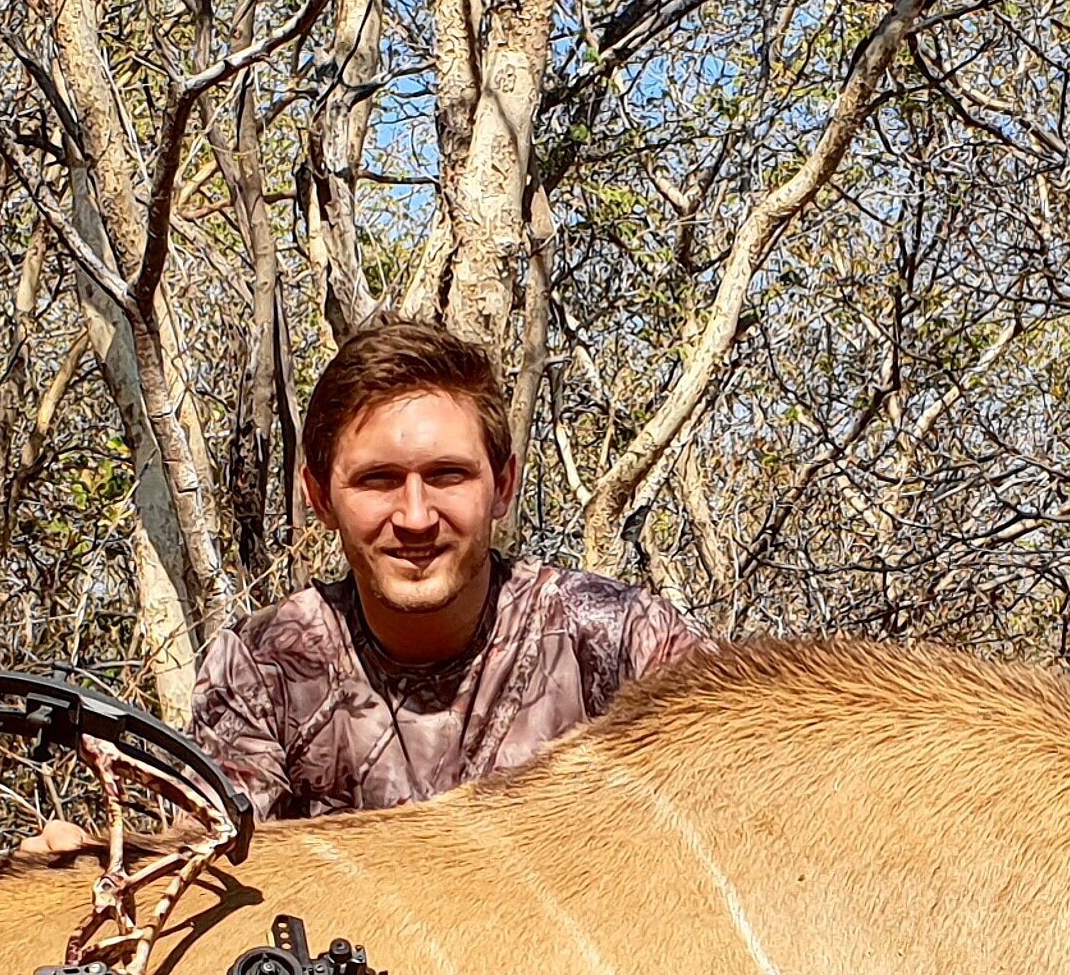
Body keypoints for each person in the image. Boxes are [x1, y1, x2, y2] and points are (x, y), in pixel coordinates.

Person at [189, 319, 707, 818]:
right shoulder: (259, 668)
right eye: (378, 480)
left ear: (503, 486)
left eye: (448, 475)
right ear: (321, 499)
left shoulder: (624, 642)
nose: (416, 517)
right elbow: (225, 877)